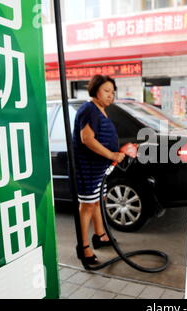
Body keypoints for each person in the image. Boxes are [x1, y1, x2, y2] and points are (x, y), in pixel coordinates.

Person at [72, 75, 125, 265]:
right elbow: (87, 138)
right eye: (106, 91)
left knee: (97, 202)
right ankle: (83, 247)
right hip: (88, 168)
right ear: (95, 90)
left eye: (112, 92)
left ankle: (100, 236)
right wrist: (111, 155)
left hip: (99, 169)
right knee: (87, 206)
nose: (111, 95)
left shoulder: (100, 110)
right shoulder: (90, 109)